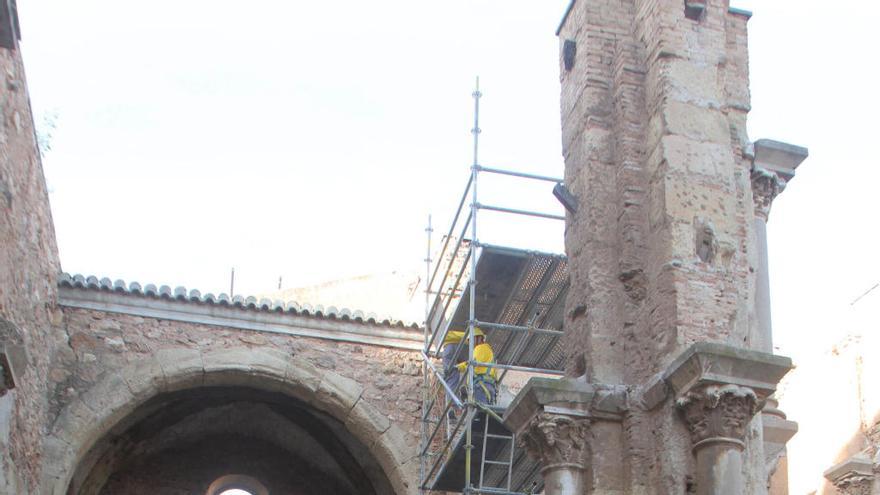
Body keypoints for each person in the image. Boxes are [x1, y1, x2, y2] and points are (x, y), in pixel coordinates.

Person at [455, 328, 497, 405]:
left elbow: (472, 363)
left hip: (481, 386)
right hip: (488, 386)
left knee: (479, 412)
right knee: (484, 413)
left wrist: (458, 367)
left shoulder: (480, 348)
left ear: (479, 338)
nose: (470, 343)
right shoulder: (487, 350)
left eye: (472, 339)